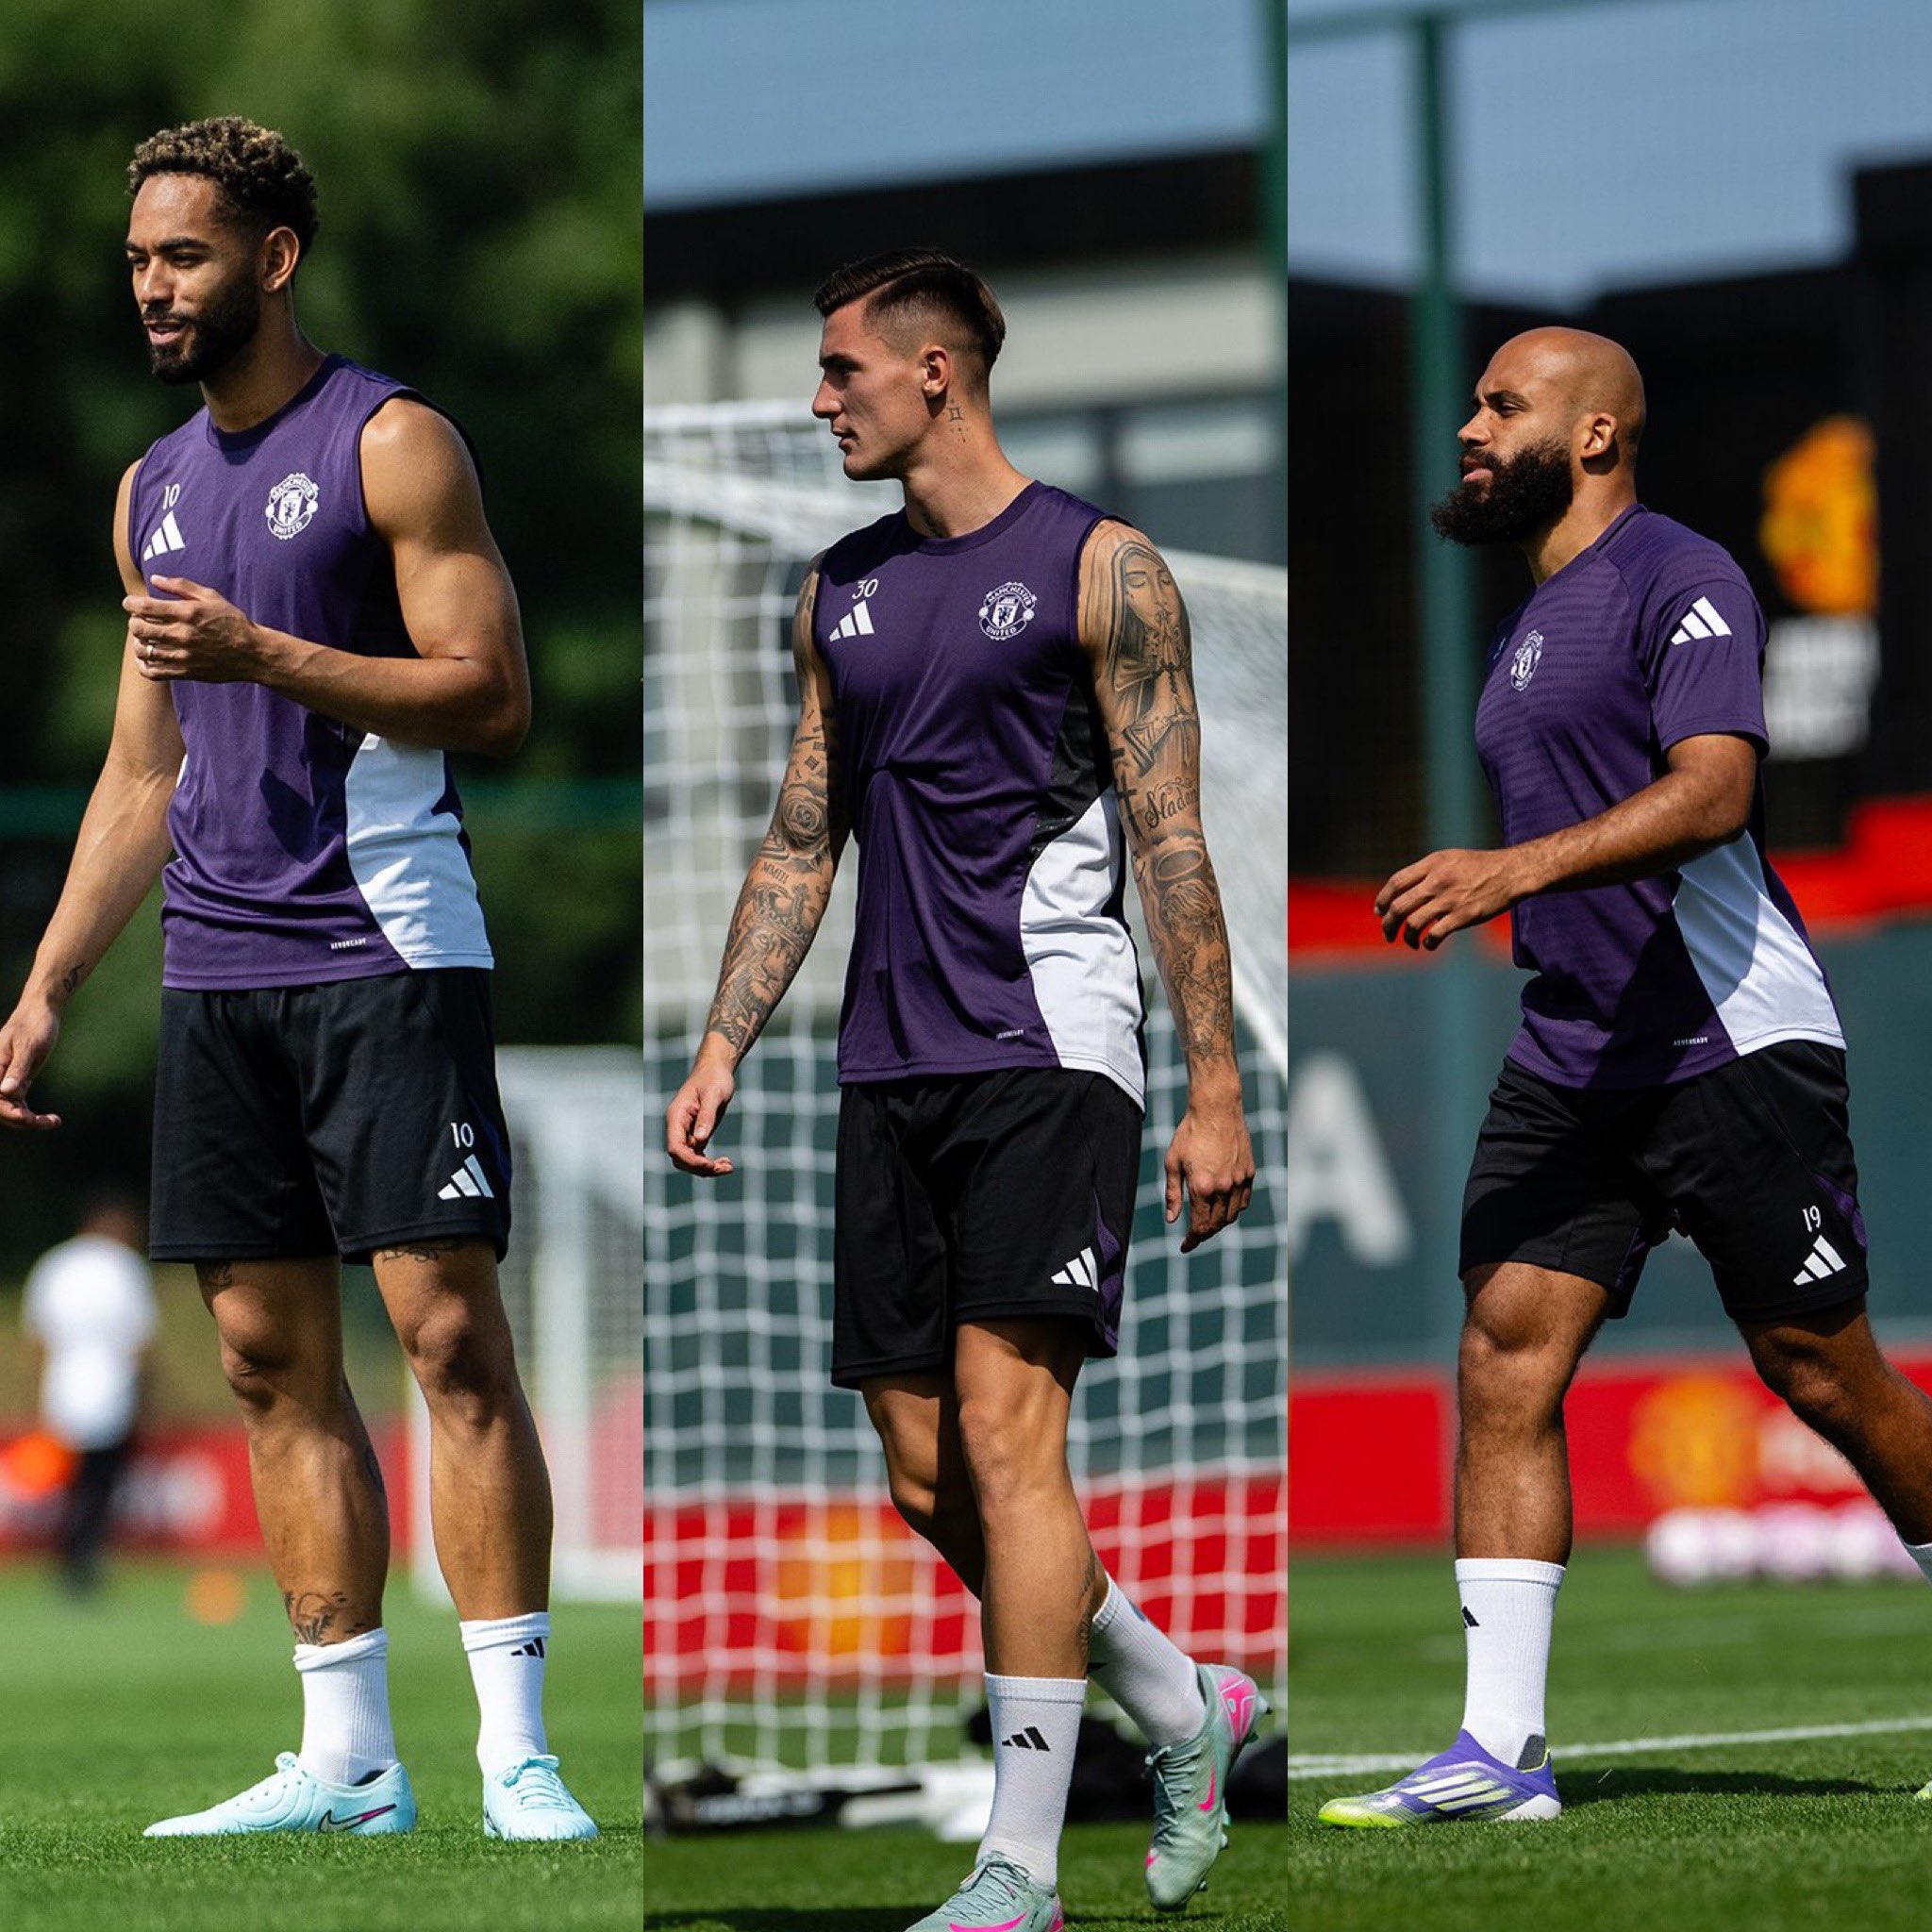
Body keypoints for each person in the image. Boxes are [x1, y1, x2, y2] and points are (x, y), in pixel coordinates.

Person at [0, 117, 595, 1840]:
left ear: (273, 259)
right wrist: (49, 981)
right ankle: (349, 1763)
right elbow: (143, 768)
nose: (152, 287)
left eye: (182, 255)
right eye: (136, 261)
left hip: (385, 942)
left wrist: (266, 649)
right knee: (267, 1358)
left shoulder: (393, 442)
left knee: (447, 1333)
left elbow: (491, 693)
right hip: (215, 970)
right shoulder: (149, 490)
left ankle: (518, 1754)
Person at [665, 249, 1265, 1929]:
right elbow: (802, 834)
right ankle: (1182, 1701)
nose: (818, 400)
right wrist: (722, 1040)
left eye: (841, 369)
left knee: (1009, 1445)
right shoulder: (834, 592)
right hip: (884, 1067)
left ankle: (1021, 1870)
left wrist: (1212, 1085)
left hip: (1049, 1053)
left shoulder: (1102, 567)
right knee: (926, 1476)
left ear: (935, 372)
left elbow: (1171, 835)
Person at [1320, 327, 1932, 1828]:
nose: (1470, 428)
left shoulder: (1680, 573)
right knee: (1502, 1351)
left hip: (1725, 1032)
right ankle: (1501, 1754)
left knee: (1820, 1370)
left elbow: (1716, 792)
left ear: (1594, 434)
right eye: (1473, 404)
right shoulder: (1523, 626)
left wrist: (1507, 870)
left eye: (1502, 405)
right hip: (1574, 1048)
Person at [21, 1192, 158, 1595]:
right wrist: (148, 1395)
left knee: (70, 1480)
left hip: (62, 1387)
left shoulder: (56, 1263)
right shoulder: (124, 1266)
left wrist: (35, 1393)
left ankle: (68, 1554)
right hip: (113, 1388)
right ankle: (82, 1558)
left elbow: (37, 1336)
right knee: (99, 1482)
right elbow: (139, 1340)